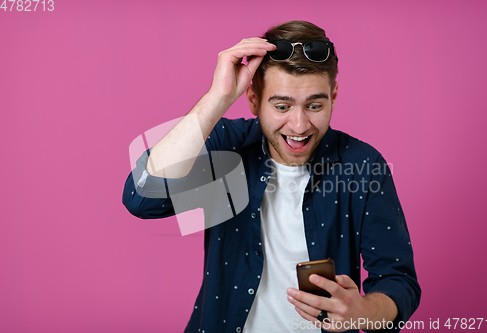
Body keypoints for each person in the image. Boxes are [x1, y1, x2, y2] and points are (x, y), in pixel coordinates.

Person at [122, 20, 421, 333]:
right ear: (253, 100)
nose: (299, 125)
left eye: (315, 105)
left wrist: (362, 311)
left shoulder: (363, 165)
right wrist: (218, 97)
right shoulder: (229, 146)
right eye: (282, 105)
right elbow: (142, 197)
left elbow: (399, 282)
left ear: (334, 94)